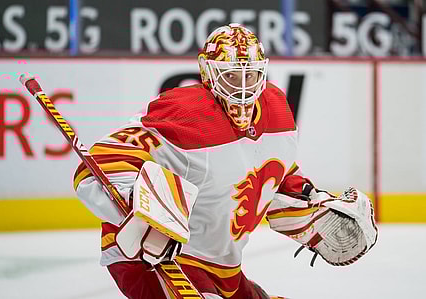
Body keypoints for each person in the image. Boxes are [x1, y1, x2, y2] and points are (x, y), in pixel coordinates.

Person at [73, 23, 378, 299]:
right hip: (153, 260)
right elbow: (100, 163)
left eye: (251, 75)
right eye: (231, 75)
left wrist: (310, 199)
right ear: (207, 72)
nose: (243, 86)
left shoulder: (278, 112)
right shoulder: (186, 113)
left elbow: (271, 171)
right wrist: (144, 212)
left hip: (223, 264)